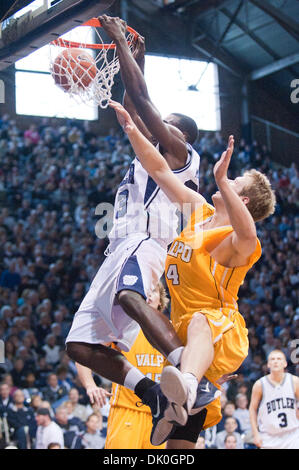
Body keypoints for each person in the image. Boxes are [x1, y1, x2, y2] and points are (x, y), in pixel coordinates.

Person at [65, 14, 210, 447]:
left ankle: (192, 377)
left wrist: (121, 46)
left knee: (131, 298)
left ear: (178, 134)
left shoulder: (183, 155)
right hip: (119, 248)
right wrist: (137, 57)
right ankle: (152, 395)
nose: (152, 123)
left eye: (163, 122)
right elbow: (137, 97)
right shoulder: (153, 149)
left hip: (148, 242)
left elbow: (142, 104)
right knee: (80, 347)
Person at [108, 99, 276, 447]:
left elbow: (249, 234)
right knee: (179, 449)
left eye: (235, 182)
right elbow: (160, 171)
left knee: (200, 322)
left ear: (241, 199)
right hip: (185, 336)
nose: (226, 180)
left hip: (217, 332)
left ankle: (188, 384)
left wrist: (221, 181)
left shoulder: (237, 241)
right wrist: (131, 129)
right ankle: (186, 393)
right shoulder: (199, 211)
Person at [249, 349, 299, 449]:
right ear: (268, 364)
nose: (275, 361)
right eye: (272, 359)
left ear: (285, 363)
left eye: (279, 359)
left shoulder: (294, 381)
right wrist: (256, 434)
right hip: (268, 437)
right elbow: (252, 410)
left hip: (293, 435)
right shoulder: (260, 385)